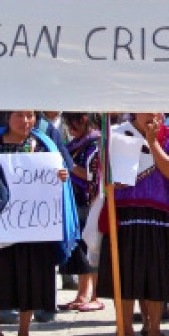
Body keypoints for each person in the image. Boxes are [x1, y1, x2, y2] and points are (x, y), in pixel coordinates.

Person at [0, 110, 75, 336]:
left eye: (30, 116)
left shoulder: (44, 144)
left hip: (33, 228)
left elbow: (63, 169)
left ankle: (23, 334)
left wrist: (61, 175)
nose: (26, 121)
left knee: (28, 280)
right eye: (19, 116)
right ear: (7, 118)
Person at [96, 113, 169, 336]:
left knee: (155, 276)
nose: (152, 115)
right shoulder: (116, 134)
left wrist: (153, 142)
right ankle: (125, 329)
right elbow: (103, 173)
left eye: (157, 110)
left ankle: (154, 329)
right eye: (147, 109)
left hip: (157, 213)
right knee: (125, 275)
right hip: (124, 213)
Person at [57, 112, 103, 313]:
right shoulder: (74, 145)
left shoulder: (95, 144)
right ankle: (82, 294)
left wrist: (71, 167)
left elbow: (93, 175)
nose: (69, 128)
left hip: (90, 201)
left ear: (84, 121)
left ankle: (96, 296)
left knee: (91, 248)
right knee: (81, 250)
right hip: (75, 201)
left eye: (72, 123)